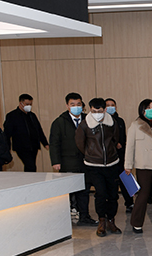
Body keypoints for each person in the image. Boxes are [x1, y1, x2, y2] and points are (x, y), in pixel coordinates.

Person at [75, 98, 122, 237]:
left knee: (113, 195)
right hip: (94, 166)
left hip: (112, 164)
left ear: (104, 110)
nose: (97, 114)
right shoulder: (85, 125)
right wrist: (91, 154)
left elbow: (115, 139)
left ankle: (111, 220)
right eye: (94, 111)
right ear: (90, 109)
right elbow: (80, 143)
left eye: (99, 111)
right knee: (101, 194)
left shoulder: (112, 122)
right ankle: (102, 221)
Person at [50, 92, 98, 226]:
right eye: (73, 104)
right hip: (68, 162)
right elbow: (54, 143)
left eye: (78, 104)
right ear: (67, 106)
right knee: (68, 191)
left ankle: (84, 216)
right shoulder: (59, 122)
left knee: (84, 190)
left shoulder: (88, 119)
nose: (76, 107)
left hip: (86, 161)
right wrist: (56, 161)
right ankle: (65, 217)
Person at [125, 99, 152, 237]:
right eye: (148, 107)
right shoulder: (135, 125)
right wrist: (128, 165)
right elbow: (130, 147)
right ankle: (136, 223)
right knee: (143, 195)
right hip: (143, 166)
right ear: (142, 110)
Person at [3, 94, 49, 172]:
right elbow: (7, 134)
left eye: (30, 104)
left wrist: (45, 143)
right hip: (21, 147)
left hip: (33, 146)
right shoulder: (12, 116)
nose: (29, 106)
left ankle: (29, 178)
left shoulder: (32, 116)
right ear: (21, 103)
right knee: (31, 166)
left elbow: (39, 130)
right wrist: (7, 149)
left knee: (30, 166)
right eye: (27, 104)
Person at [105, 98, 134, 213]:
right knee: (112, 182)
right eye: (108, 105)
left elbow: (123, 136)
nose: (110, 107)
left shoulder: (120, 121)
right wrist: (114, 143)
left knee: (126, 179)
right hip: (109, 157)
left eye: (112, 105)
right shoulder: (103, 121)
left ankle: (130, 203)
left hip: (121, 155)